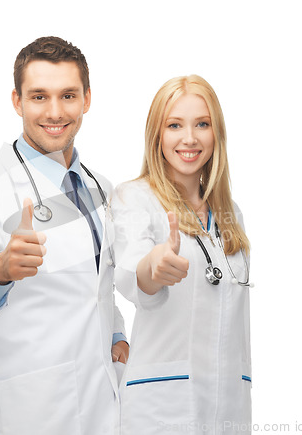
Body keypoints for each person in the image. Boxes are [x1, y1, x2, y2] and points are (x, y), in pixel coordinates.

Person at [0, 36, 129, 435]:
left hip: (104, 403)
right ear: (17, 101)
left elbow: (100, 287)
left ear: (87, 100)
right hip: (30, 411)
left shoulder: (101, 188)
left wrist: (116, 335)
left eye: (68, 95)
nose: (55, 112)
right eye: (39, 96)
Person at [111, 75, 252, 434]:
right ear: (156, 135)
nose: (189, 138)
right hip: (163, 407)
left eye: (202, 124)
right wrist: (155, 266)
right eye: (174, 125)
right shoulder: (134, 198)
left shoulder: (230, 214)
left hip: (229, 404)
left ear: (216, 133)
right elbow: (134, 271)